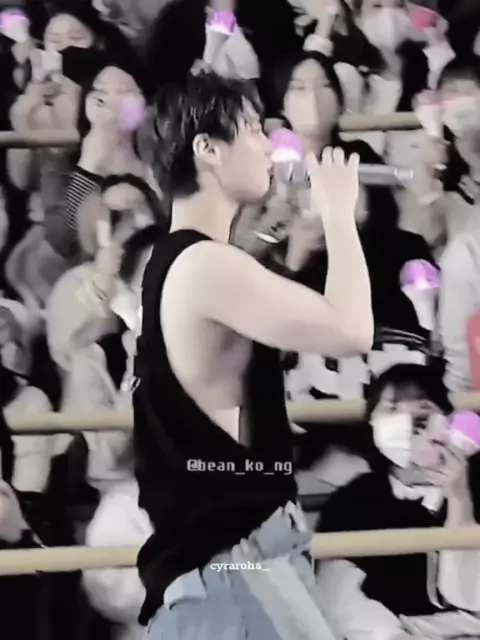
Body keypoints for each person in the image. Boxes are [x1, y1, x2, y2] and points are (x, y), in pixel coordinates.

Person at [133, 71, 373, 638]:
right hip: (234, 566)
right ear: (208, 150)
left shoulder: (185, 261)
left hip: (230, 564)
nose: (270, 145)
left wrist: (273, 235)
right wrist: (338, 212)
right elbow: (352, 329)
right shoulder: (203, 265)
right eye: (253, 130)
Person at [316, 364, 480, 639]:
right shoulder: (353, 500)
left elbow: (471, 597)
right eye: (392, 409)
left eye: (423, 413)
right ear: (372, 425)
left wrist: (458, 499)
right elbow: (338, 594)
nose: (408, 423)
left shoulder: (473, 484)